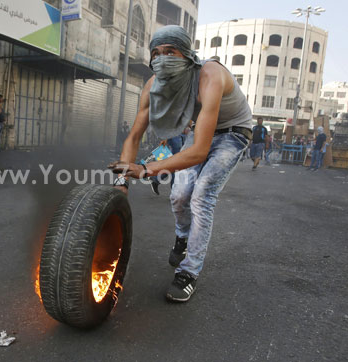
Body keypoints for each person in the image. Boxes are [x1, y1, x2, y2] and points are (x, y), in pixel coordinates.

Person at [108, 25, 252, 302]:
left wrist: (146, 169)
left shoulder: (210, 75)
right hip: (201, 130)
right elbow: (134, 136)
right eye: (156, 53)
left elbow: (199, 152)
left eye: (170, 51)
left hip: (233, 132)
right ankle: (182, 237)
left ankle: (189, 271)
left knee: (201, 196)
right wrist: (121, 181)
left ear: (187, 55)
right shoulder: (153, 86)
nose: (162, 58)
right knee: (178, 194)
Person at [149, 125, 191, 195]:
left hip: (185, 134)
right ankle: (174, 192)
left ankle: (156, 179)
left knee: (176, 165)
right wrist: (165, 138)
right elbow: (170, 119)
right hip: (175, 133)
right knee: (176, 165)